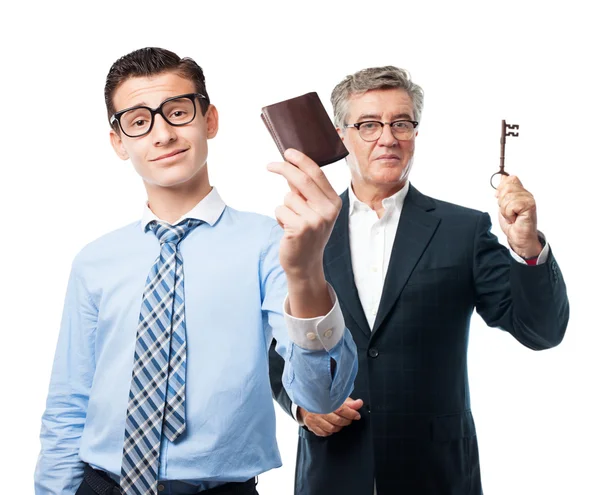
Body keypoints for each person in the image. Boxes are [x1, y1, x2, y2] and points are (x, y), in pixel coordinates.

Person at [34, 47, 358, 495]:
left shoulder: (272, 244)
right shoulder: (95, 261)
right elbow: (69, 404)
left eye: (177, 112)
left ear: (210, 120)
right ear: (119, 142)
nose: (162, 134)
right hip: (100, 485)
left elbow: (322, 395)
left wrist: (304, 275)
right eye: (139, 121)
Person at [269, 66, 569, 495]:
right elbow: (271, 344)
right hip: (332, 469)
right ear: (341, 136)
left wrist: (527, 248)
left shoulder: (461, 229)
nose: (387, 137)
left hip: (436, 473)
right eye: (369, 125)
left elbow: (541, 331)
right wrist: (301, 408)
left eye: (401, 123)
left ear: (415, 132)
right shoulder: (302, 230)